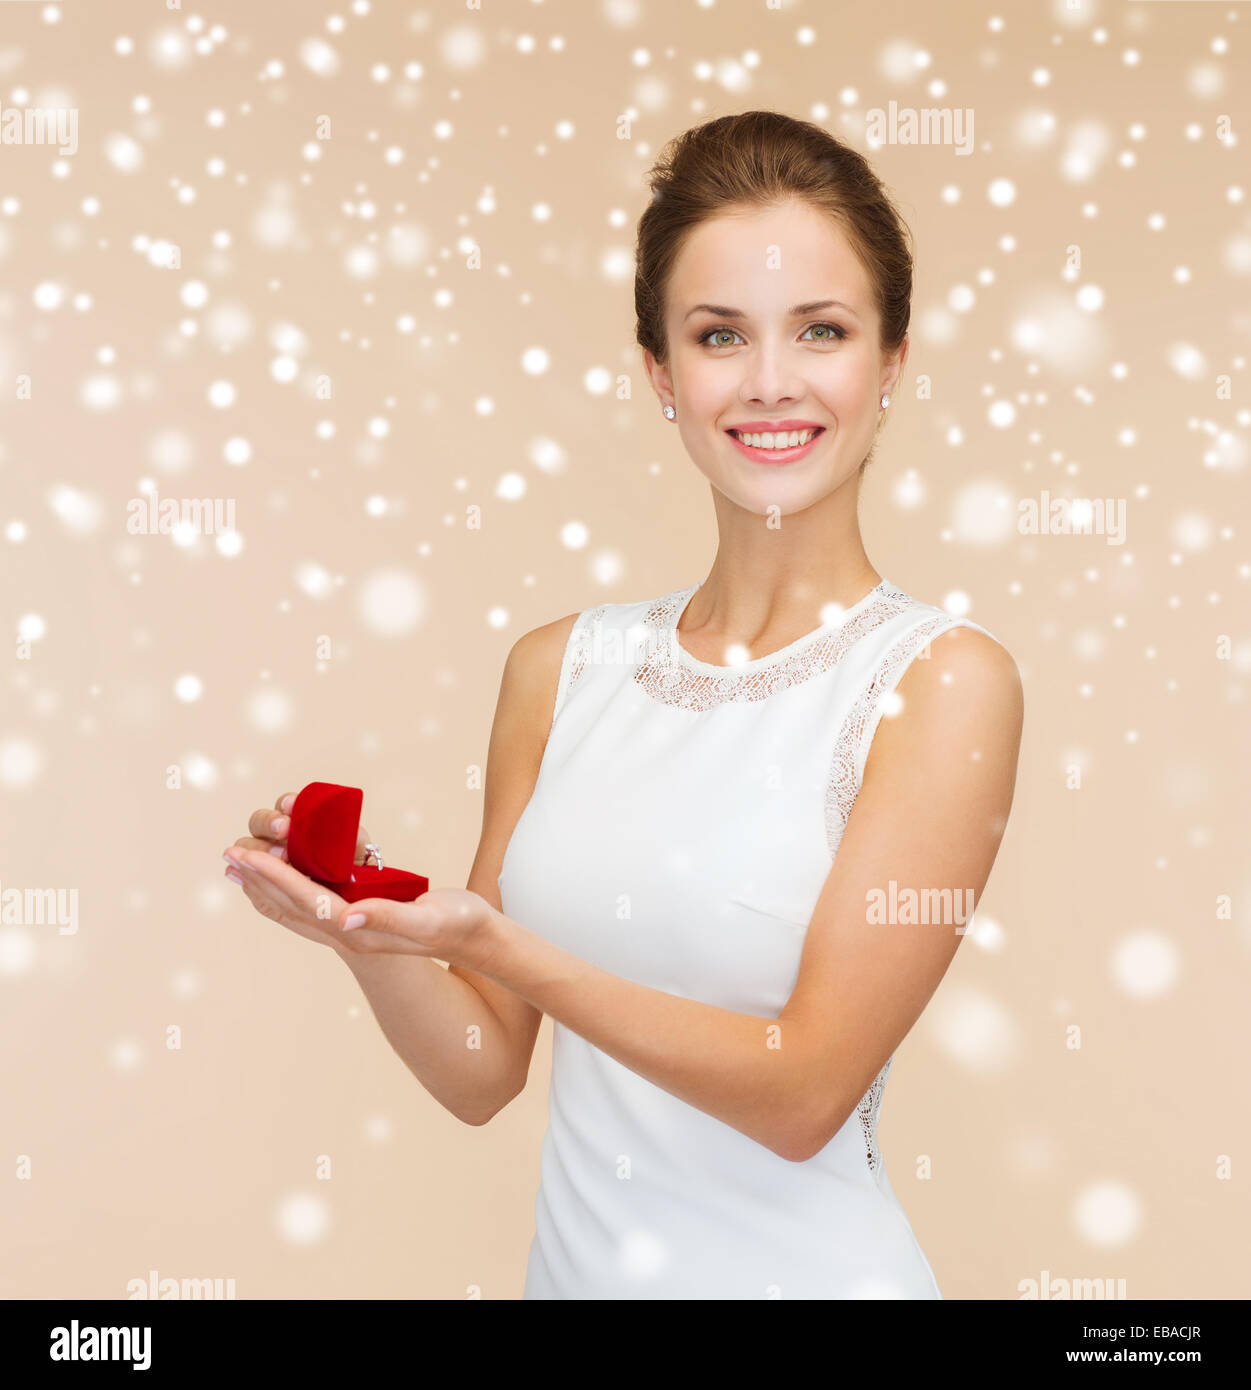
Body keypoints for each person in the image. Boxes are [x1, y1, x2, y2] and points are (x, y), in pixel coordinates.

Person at [223, 110, 1024, 1300]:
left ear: (891, 360)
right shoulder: (560, 669)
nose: (769, 382)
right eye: (718, 335)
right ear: (660, 370)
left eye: (821, 330)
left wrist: (502, 944)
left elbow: (805, 1092)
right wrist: (369, 937)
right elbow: (483, 1068)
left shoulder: (943, 683)